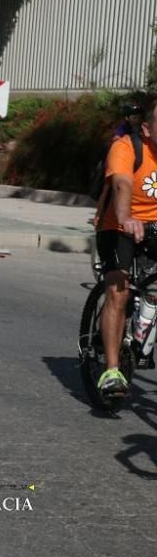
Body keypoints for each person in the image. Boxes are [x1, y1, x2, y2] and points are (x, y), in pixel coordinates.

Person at [95, 98, 157, 398]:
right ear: (147, 128)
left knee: (151, 289)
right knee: (118, 290)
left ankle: (141, 333)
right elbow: (122, 184)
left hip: (155, 227)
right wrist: (125, 216)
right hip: (118, 225)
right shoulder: (126, 147)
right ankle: (111, 370)